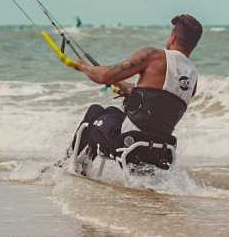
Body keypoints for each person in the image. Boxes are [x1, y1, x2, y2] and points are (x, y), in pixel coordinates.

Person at [65, 14, 202, 173]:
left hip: (128, 143)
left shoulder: (154, 55)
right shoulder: (193, 77)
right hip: (159, 151)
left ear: (172, 38)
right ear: (194, 46)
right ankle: (83, 163)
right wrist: (124, 86)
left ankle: (67, 162)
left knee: (95, 112)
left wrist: (83, 66)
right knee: (110, 113)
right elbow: (159, 99)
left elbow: (103, 76)